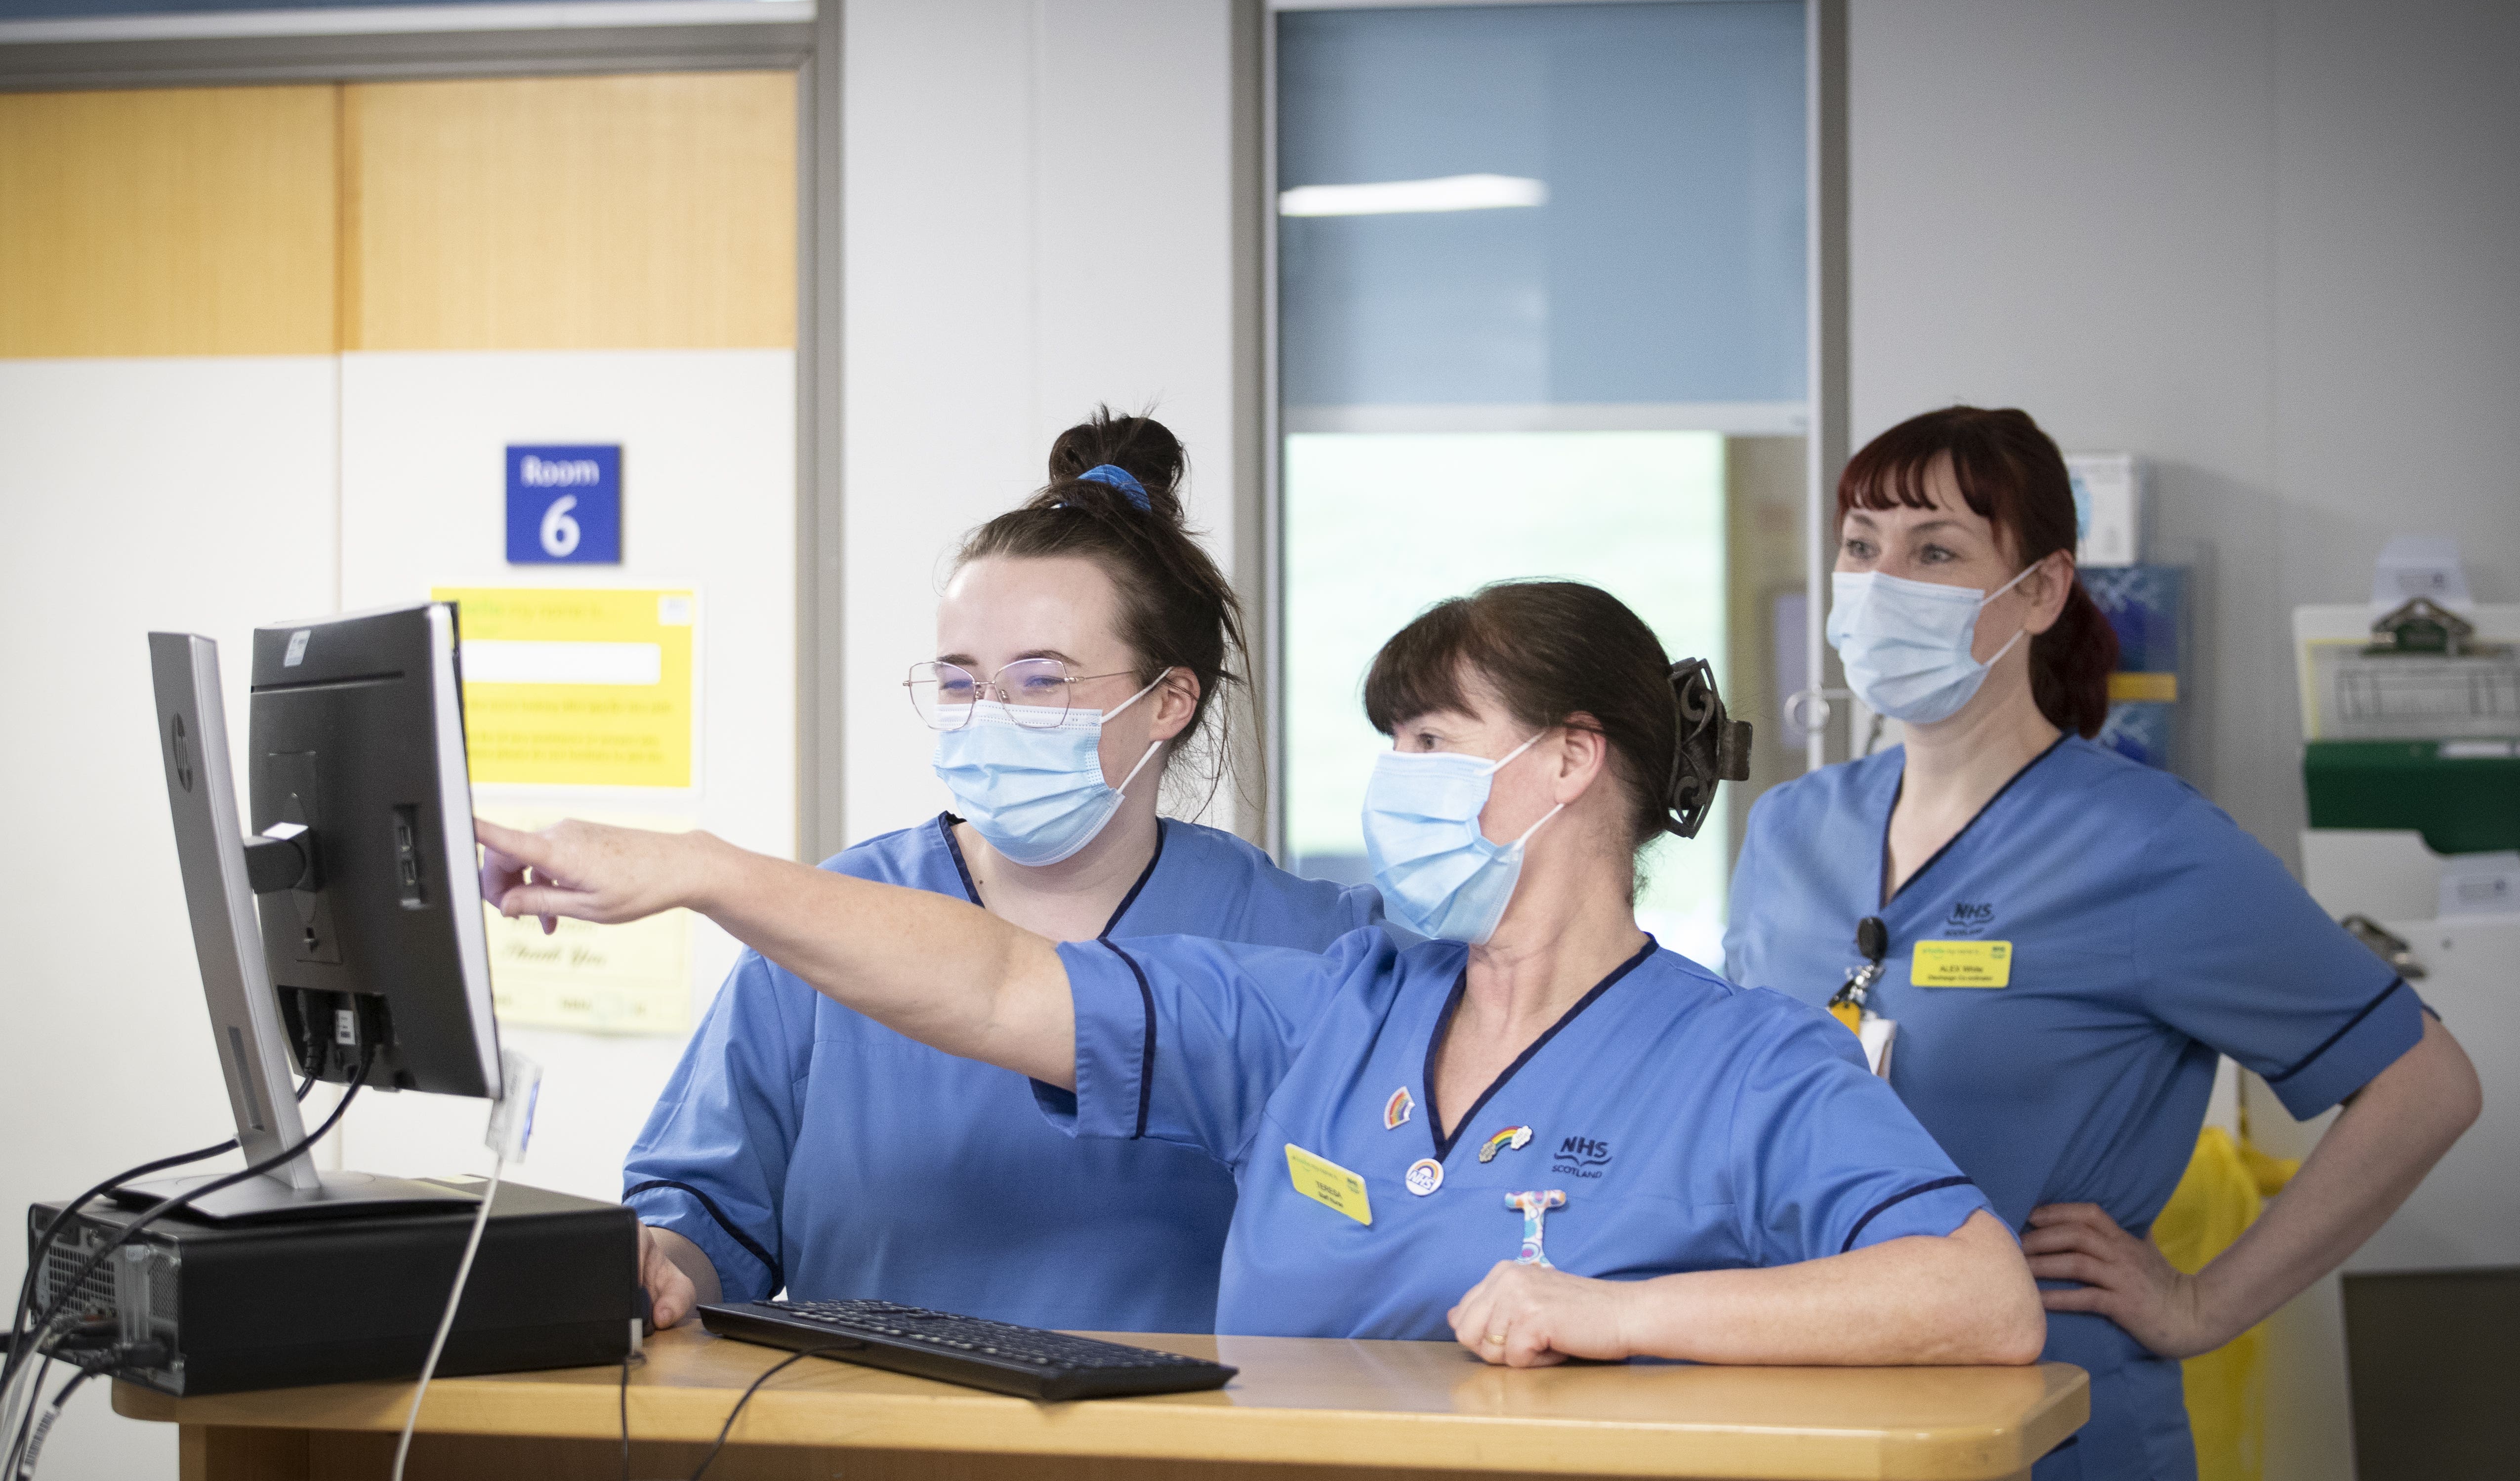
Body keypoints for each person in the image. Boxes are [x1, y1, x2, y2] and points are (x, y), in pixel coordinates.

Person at [486, 579, 2048, 1368]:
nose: (1396, 781)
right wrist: (703, 867)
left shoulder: (1741, 1059)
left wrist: (1623, 1313)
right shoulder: (1325, 1001)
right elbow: (993, 983)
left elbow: (1977, 1294)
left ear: (1572, 761)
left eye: (1431, 744)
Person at [1723, 406, 2482, 1481]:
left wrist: (2205, 1305)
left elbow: (2427, 1086)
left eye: (1935, 550)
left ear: (2036, 592)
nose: (1883, 581)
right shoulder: (1788, 832)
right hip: (1797, 1409)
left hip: (2045, 1437)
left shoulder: (2147, 848)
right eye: (1860, 546)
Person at [620, 411, 1384, 1334]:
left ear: (1169, 702)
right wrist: (660, 1267)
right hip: (860, 1447)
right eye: (957, 681)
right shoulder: (834, 923)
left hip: (1183, 1457)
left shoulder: (1306, 938)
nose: (987, 716)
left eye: (1040, 680)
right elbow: (705, 1215)